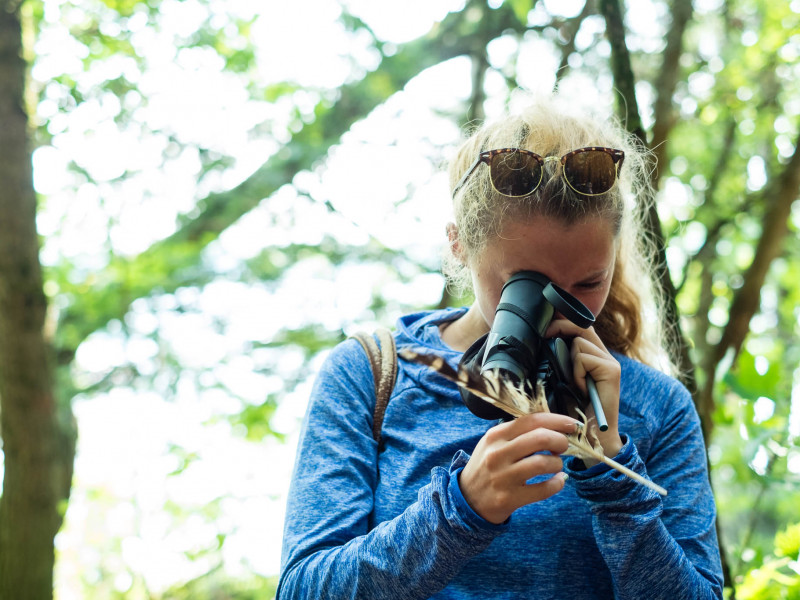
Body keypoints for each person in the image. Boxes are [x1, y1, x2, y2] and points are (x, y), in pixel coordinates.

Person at [277, 94, 724, 599]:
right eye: (528, 286)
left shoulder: (657, 406)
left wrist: (613, 479)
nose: (560, 311)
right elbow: (302, 589)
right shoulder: (372, 372)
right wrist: (460, 510)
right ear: (458, 246)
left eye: (588, 283)